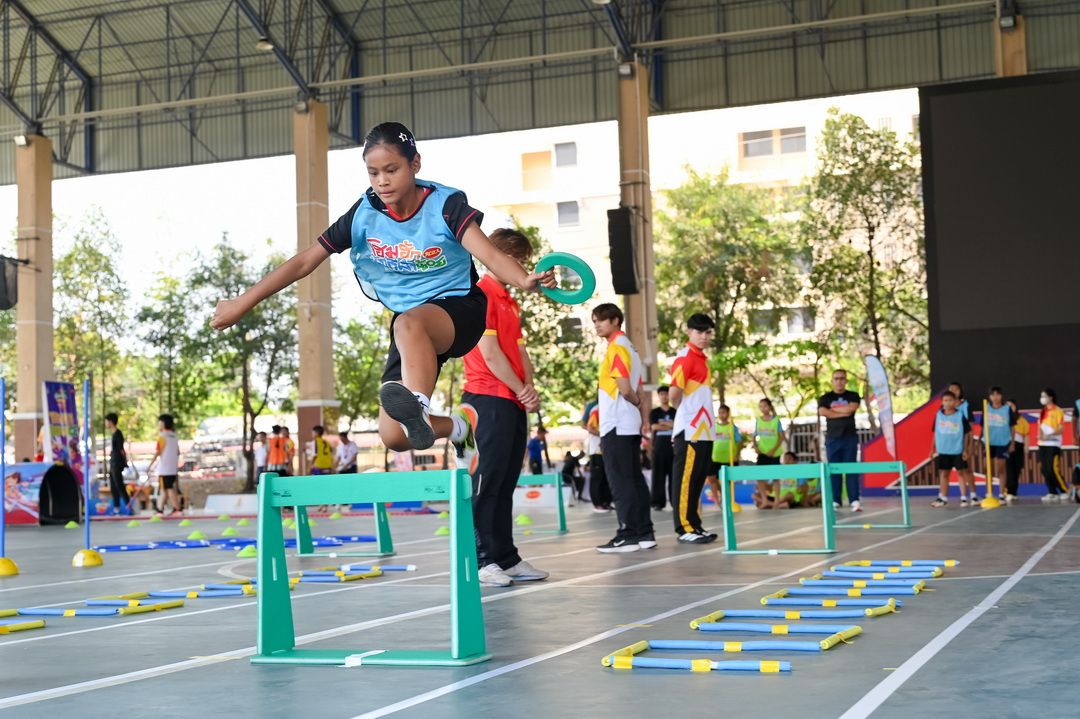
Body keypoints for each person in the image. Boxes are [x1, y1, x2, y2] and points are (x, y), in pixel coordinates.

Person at [209, 121, 554, 466]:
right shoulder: (364, 214)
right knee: (393, 435)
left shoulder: (445, 207)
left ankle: (417, 406)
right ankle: (458, 427)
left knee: (407, 324)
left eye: (392, 170)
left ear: (415, 164)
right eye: (373, 173)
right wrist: (243, 302)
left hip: (459, 309)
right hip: (412, 329)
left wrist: (524, 279)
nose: (382, 181)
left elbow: (490, 255)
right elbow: (304, 262)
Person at [461, 227, 548, 587]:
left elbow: (520, 352)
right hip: (485, 399)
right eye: (520, 261)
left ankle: (506, 558)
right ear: (502, 257)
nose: (523, 269)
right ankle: (482, 559)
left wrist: (528, 389)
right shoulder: (479, 293)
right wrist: (520, 389)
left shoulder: (509, 300)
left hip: (511, 399)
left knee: (506, 481)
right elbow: (490, 354)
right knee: (486, 481)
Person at [592, 303, 655, 553]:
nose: (597, 325)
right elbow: (640, 387)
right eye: (595, 320)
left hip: (616, 423)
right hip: (628, 423)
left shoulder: (616, 347)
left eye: (601, 320)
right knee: (634, 479)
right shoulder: (631, 347)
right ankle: (644, 533)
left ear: (615, 321)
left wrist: (636, 403)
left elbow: (626, 388)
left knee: (621, 481)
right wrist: (641, 413)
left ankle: (627, 534)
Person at [668, 313, 718, 545]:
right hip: (690, 431)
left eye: (708, 332)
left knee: (697, 480)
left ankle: (695, 524)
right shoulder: (685, 357)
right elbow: (673, 395)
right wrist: (686, 415)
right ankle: (684, 527)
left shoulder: (703, 360)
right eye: (699, 332)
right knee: (685, 481)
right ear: (689, 331)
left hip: (704, 431)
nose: (704, 336)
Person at [817, 369, 863, 513]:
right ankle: (835, 500)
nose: (839, 381)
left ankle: (854, 500)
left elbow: (851, 409)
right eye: (836, 378)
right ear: (832, 381)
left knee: (851, 469)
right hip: (832, 439)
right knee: (834, 470)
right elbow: (823, 412)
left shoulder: (853, 395)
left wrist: (833, 412)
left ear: (846, 380)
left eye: (842, 378)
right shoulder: (825, 398)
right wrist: (843, 412)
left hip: (849, 438)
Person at [931, 391, 971, 508]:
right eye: (945, 400)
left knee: (961, 473)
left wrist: (965, 449)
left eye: (950, 400)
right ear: (942, 402)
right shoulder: (938, 415)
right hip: (943, 450)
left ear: (955, 402)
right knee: (944, 473)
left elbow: (967, 433)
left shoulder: (960, 415)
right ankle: (943, 498)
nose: (948, 403)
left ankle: (963, 498)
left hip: (957, 449)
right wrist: (932, 449)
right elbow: (935, 433)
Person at [948, 382, 980, 504]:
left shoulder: (966, 406)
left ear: (960, 392)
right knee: (958, 471)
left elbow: (970, 428)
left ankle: (973, 495)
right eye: (951, 389)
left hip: (964, 443)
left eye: (956, 389)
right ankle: (962, 496)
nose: (953, 391)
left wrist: (970, 445)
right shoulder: (944, 409)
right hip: (951, 443)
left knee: (967, 470)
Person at [707, 404, 743, 510]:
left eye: (723, 412)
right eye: (720, 413)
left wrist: (737, 454)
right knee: (712, 478)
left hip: (729, 458)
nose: (721, 415)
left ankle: (729, 500)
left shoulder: (733, 427)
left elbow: (739, 441)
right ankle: (718, 501)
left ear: (728, 414)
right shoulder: (713, 427)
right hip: (715, 457)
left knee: (729, 481)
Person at [983, 387, 1016, 503]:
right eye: (993, 395)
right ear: (989, 397)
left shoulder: (1007, 409)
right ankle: (989, 492)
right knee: (988, 468)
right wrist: (979, 441)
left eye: (997, 394)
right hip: (989, 442)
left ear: (1001, 396)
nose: (995, 397)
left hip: (1003, 442)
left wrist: (1012, 443)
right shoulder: (986, 408)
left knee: (1001, 467)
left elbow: (1012, 427)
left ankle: (1002, 493)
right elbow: (982, 425)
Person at [753, 398, 786, 509]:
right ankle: (764, 500)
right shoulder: (758, 420)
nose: (763, 408)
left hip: (774, 453)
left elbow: (782, 437)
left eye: (765, 406)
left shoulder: (776, 420)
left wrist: (774, 449)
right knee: (759, 476)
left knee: (776, 477)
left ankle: (777, 501)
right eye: (761, 406)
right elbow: (754, 436)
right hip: (762, 453)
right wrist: (756, 446)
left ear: (770, 407)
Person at [1036, 388, 1068, 502]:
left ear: (1051, 397)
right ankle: (1052, 492)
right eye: (1041, 396)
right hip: (1042, 444)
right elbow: (1040, 426)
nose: (1042, 398)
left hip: (1053, 443)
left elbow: (1061, 429)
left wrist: (1048, 435)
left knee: (1052, 468)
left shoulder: (1058, 411)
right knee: (1044, 469)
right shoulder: (1042, 412)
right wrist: (1040, 436)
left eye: (1044, 396)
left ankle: (1064, 490)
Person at [648, 386, 676, 511]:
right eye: (662, 394)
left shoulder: (675, 412)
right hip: (658, 448)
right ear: (659, 396)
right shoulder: (654, 412)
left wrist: (663, 424)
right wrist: (670, 425)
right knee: (658, 476)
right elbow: (654, 427)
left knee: (674, 476)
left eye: (666, 394)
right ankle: (657, 502)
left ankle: (675, 502)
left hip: (673, 448)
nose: (664, 396)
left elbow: (677, 425)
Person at [149, 413, 182, 515]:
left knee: (168, 489)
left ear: (163, 423)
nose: (159, 424)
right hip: (172, 469)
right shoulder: (174, 436)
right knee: (165, 489)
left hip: (165, 469)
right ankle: (160, 509)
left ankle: (177, 509)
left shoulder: (162, 437)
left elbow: (158, 452)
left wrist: (150, 465)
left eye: (160, 422)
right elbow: (178, 452)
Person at [586, 402, 612, 512]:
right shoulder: (597, 410)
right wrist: (603, 435)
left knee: (607, 477)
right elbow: (590, 428)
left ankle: (606, 502)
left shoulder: (610, 408)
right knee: (598, 477)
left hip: (607, 450)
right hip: (597, 450)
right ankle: (597, 503)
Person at [104, 413, 129, 514]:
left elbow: (121, 450)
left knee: (119, 485)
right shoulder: (113, 434)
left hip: (117, 463)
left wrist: (124, 462)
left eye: (106, 421)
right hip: (113, 462)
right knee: (113, 486)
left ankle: (128, 506)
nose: (105, 423)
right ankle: (116, 508)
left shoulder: (118, 434)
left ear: (110, 422)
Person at [1005, 400, 1027, 504]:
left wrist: (1026, 446)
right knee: (1009, 469)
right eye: (1007, 406)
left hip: (1019, 446)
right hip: (1007, 445)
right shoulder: (1003, 419)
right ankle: (1008, 491)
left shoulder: (1022, 420)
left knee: (1017, 468)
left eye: (1012, 406)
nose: (1010, 408)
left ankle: (1013, 492)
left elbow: (1026, 434)